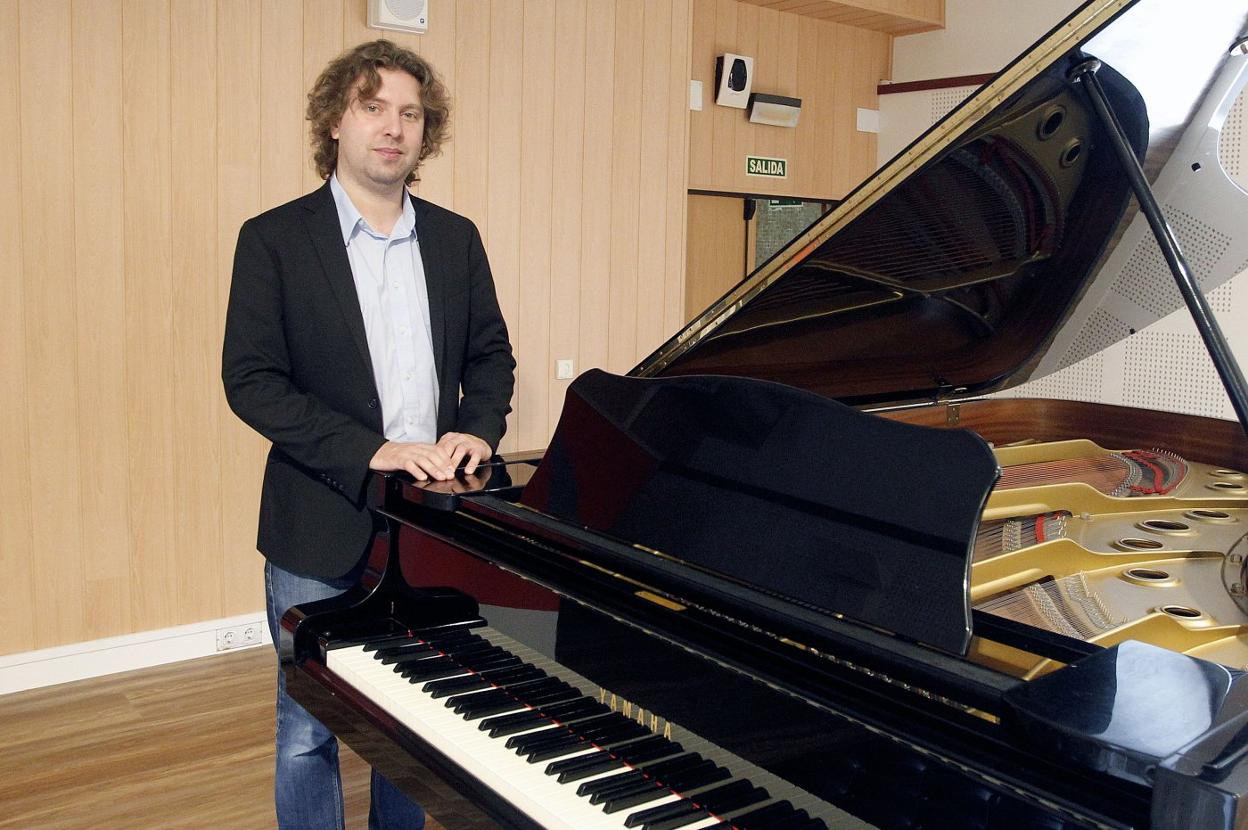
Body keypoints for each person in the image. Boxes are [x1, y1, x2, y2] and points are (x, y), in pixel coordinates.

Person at [222, 39, 515, 830]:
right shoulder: (274, 239)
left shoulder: (455, 238)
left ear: (426, 132)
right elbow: (251, 381)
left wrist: (478, 429)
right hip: (317, 521)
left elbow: (490, 356)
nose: (393, 127)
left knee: (413, 724)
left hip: (428, 523)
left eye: (410, 114)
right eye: (373, 107)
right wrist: (371, 451)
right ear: (334, 121)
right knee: (307, 733)